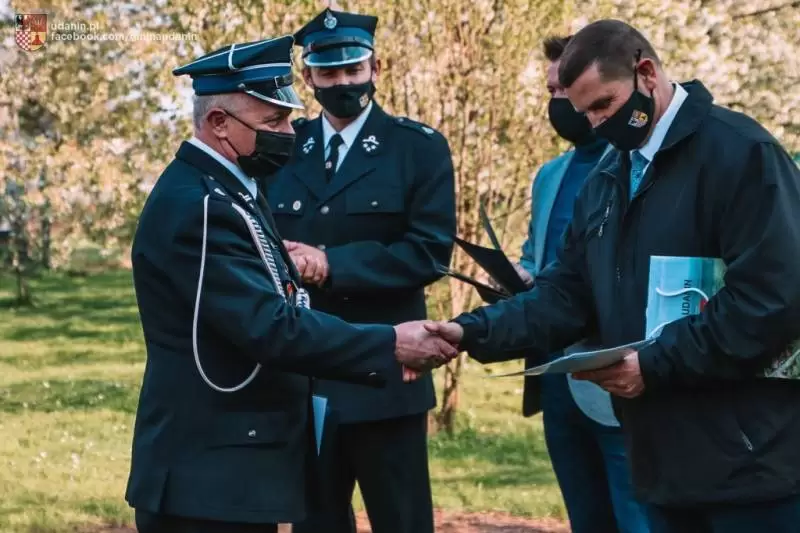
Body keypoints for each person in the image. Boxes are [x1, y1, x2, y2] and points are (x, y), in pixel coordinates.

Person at [422, 19, 800, 533]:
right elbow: (567, 293)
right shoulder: (607, 177)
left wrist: (653, 364)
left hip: (751, 467)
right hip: (662, 465)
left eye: (604, 105)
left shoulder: (740, 153)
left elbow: (771, 299)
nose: (597, 124)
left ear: (646, 73)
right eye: (586, 113)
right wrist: (469, 331)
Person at [124, 35, 457, 533]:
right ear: (219, 123)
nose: (288, 133)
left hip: (229, 470)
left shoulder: (230, 191)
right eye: (273, 122)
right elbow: (270, 326)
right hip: (208, 474)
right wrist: (391, 342)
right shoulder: (204, 207)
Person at [267, 8, 456, 533]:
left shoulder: (418, 148)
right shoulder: (284, 149)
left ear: (376, 68)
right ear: (308, 78)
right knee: (316, 522)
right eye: (328, 73)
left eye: (353, 70)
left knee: (402, 520)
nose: (342, 83)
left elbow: (429, 251)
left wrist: (332, 264)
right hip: (308, 372)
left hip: (388, 373)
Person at [511, 34, 648, 533]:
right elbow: (537, 256)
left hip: (618, 371)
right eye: (551, 91)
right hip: (556, 374)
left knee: (636, 516)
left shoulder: (637, 165)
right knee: (585, 516)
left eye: (565, 90)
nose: (559, 103)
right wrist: (519, 278)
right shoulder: (550, 175)